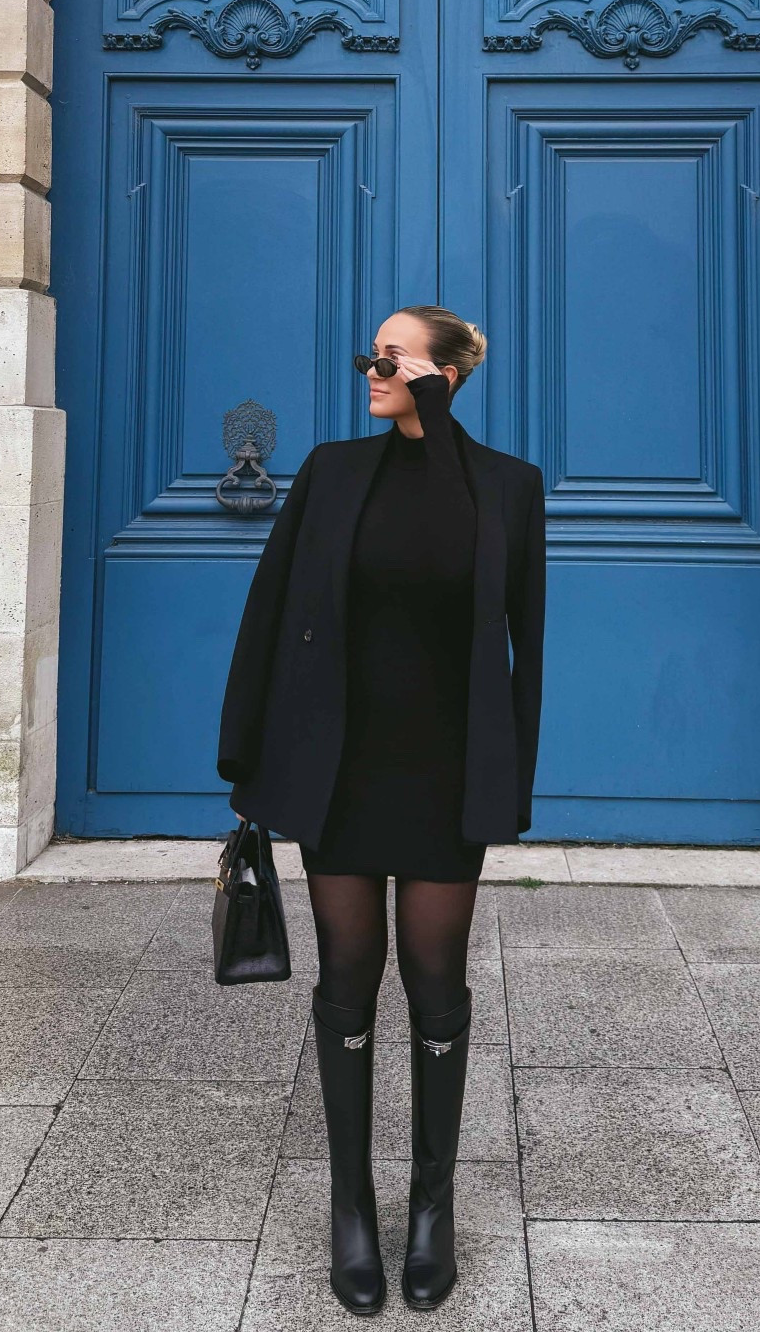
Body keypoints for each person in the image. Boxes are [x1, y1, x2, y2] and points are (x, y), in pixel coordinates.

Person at [216, 305, 546, 1315]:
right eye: (372, 352)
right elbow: (269, 605)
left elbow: (523, 642)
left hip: (450, 771)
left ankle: (431, 1210)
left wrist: (510, 784)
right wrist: (247, 759)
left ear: (444, 372)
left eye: (392, 356)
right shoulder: (330, 470)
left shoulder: (505, 486)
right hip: (344, 768)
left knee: (436, 981)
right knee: (349, 977)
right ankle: (352, 1208)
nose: (371, 367)